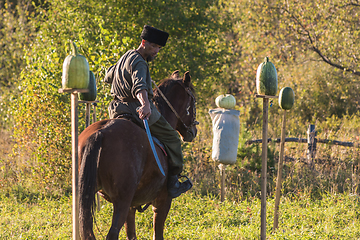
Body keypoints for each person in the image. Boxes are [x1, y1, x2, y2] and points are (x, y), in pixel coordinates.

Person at [106, 25, 192, 198]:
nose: (156, 51)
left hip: (116, 109)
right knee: (172, 137)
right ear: (144, 42)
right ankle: (174, 183)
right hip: (135, 108)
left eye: (159, 48)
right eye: (154, 47)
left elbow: (108, 76)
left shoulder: (125, 57)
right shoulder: (139, 62)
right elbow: (140, 86)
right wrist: (145, 104)